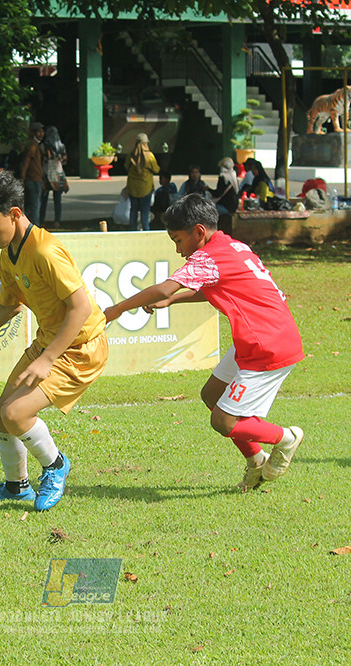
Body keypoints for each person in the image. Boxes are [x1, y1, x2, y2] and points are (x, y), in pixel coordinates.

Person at [103, 194, 304, 491]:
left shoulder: (208, 256)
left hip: (267, 344)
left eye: (178, 240)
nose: (177, 249)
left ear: (198, 231)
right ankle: (256, 461)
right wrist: (173, 300)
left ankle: (286, 437)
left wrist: (117, 309)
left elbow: (162, 288)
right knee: (212, 394)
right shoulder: (233, 247)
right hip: (262, 334)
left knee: (223, 420)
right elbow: (212, 288)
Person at [0, 170, 108, 511]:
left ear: (14, 214)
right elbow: (7, 307)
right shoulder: (9, 252)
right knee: (0, 415)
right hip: (49, 343)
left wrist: (46, 360)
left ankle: (56, 465)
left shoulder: (44, 250)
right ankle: (17, 486)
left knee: (15, 414)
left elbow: (80, 307)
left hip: (80, 348)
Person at [126, 133, 160, 231]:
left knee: (133, 211)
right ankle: (145, 231)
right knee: (145, 212)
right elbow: (156, 169)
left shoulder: (131, 155)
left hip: (133, 188)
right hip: (146, 188)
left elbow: (126, 166)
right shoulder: (150, 156)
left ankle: (132, 230)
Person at [39, 125, 69, 228]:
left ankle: (41, 220)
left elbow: (41, 161)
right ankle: (57, 221)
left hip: (46, 174)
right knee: (57, 200)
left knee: (43, 200)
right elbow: (64, 161)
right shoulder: (62, 146)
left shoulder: (43, 146)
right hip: (58, 174)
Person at [20, 122, 45, 224]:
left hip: (36, 180)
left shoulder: (36, 145)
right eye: (39, 131)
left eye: (42, 131)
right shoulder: (33, 146)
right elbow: (26, 162)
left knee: (33, 206)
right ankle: (34, 228)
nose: (41, 134)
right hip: (32, 180)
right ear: (34, 133)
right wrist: (23, 177)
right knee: (34, 207)